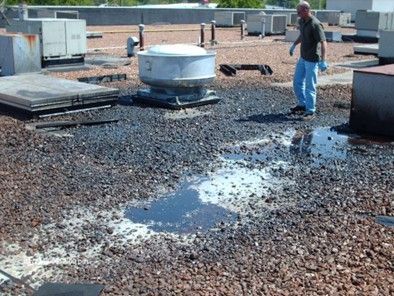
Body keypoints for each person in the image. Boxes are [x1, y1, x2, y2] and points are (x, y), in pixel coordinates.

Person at [289, 1, 328, 120]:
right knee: (297, 82)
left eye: (299, 11)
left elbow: (323, 42)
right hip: (303, 57)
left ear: (306, 10)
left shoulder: (315, 24)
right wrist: (294, 45)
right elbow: (302, 35)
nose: (297, 14)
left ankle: (310, 111)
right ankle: (302, 104)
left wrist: (323, 60)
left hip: (312, 60)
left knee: (310, 86)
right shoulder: (302, 21)